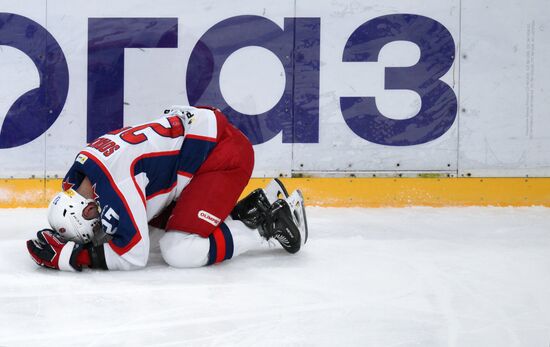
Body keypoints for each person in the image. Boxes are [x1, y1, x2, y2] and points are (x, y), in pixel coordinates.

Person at [26, 105, 308, 272]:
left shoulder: (115, 184)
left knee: (178, 250)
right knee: (154, 234)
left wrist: (76, 257)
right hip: (203, 141)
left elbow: (134, 257)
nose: (100, 228)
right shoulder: (80, 172)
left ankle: (268, 224)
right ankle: (251, 209)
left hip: (222, 154)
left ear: (87, 208)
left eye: (94, 225)